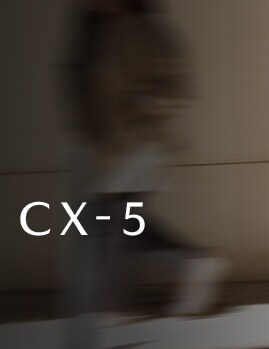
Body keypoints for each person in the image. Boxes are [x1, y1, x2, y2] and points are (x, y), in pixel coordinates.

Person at [63, 0, 226, 324]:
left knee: (114, 222)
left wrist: (145, 108)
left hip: (140, 144)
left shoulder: (144, 29)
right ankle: (184, 266)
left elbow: (178, 86)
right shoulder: (95, 29)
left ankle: (186, 265)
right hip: (112, 147)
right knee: (113, 223)